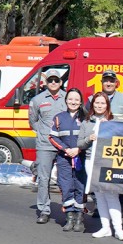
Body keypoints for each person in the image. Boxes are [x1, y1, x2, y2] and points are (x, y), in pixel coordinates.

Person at [79, 92, 123, 240]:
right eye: (97, 103)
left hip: (108, 163)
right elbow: (79, 144)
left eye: (102, 103)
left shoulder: (114, 122)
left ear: (107, 105)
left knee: (111, 194)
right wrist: (89, 138)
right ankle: (105, 228)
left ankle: (118, 229)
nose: (99, 105)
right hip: (91, 162)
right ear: (93, 104)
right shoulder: (86, 123)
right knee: (99, 196)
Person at [28, 72, 67, 224]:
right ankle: (44, 210)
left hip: (64, 145)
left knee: (66, 180)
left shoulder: (67, 97)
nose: (53, 83)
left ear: (60, 82)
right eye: (50, 80)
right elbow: (33, 121)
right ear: (45, 82)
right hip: (45, 145)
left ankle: (69, 209)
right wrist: (44, 132)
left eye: (56, 80)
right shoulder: (37, 100)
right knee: (44, 179)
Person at [49, 88, 88, 233]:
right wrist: (66, 149)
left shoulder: (86, 118)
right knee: (66, 186)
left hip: (81, 157)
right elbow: (52, 137)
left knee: (80, 186)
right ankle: (69, 217)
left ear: (81, 102)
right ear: (66, 100)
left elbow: (88, 137)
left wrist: (78, 149)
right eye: (71, 99)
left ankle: (79, 218)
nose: (73, 102)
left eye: (77, 100)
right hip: (64, 158)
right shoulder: (59, 117)